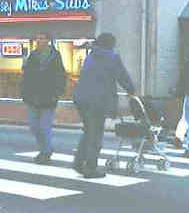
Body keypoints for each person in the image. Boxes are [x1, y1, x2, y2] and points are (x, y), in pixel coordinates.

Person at [72, 33, 135, 178]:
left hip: (81, 98)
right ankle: (90, 168)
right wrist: (131, 90)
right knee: (95, 135)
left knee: (88, 131)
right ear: (111, 44)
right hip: (97, 101)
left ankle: (79, 162)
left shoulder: (91, 55)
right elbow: (122, 76)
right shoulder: (112, 57)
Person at [21, 33, 66, 164]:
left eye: (42, 38)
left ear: (48, 40)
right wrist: (24, 93)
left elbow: (60, 75)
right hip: (32, 97)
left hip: (48, 97)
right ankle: (46, 148)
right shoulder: (32, 55)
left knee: (44, 127)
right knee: (34, 126)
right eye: (38, 38)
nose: (39, 40)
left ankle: (45, 152)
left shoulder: (55, 56)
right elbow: (27, 75)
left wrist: (57, 92)